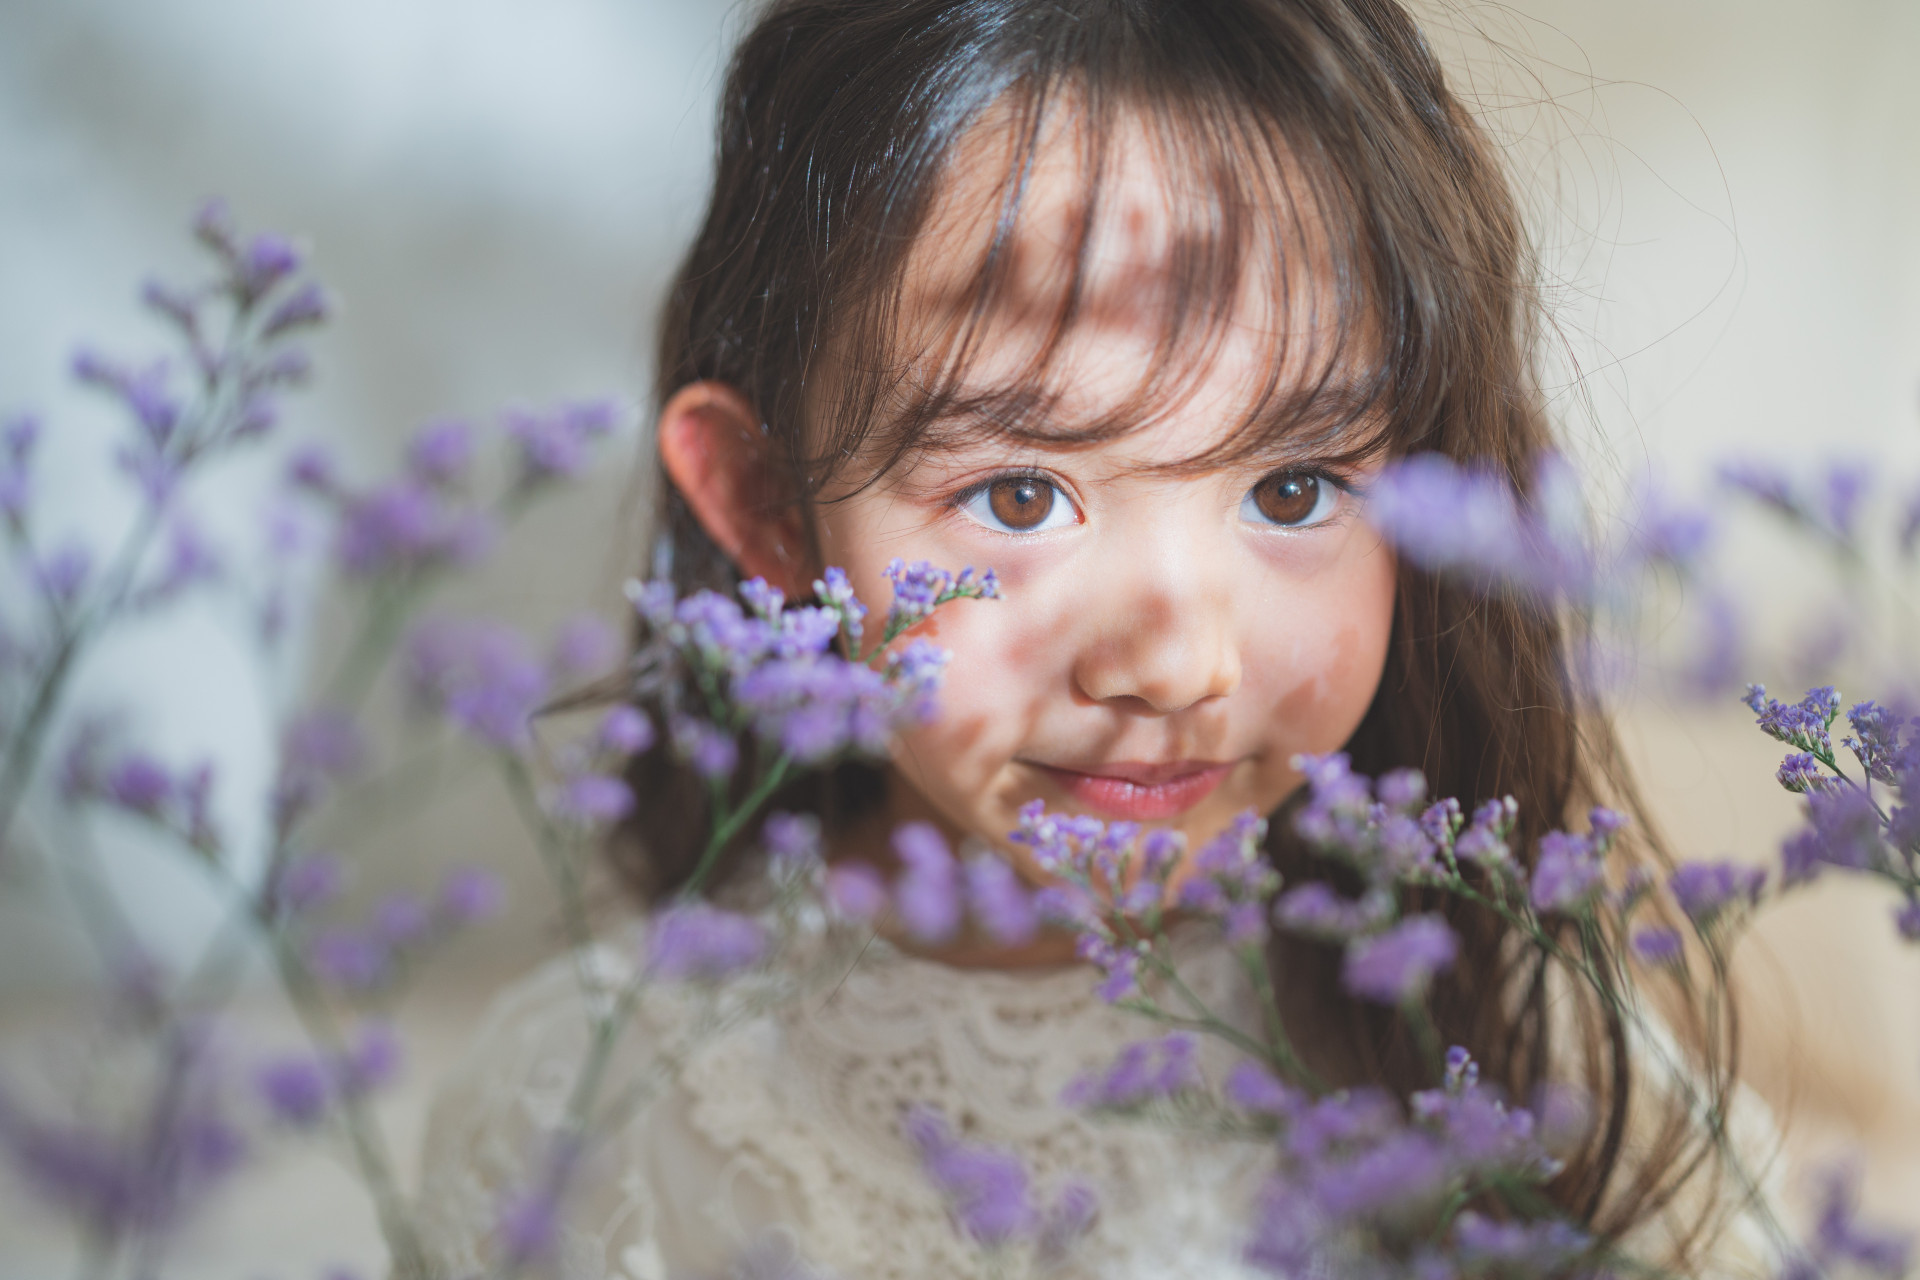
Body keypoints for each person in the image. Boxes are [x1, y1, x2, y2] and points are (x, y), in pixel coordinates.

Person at [417, 1, 1776, 1275]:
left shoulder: (1520, 1054)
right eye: (1020, 497)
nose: (1179, 664)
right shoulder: (584, 1111)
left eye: (1293, 490)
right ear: (771, 508)